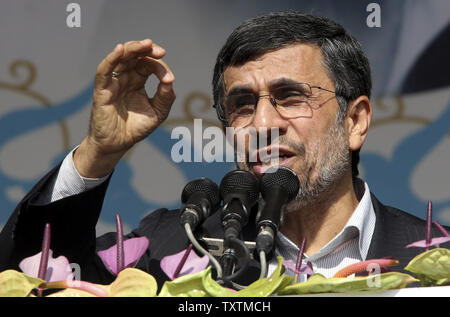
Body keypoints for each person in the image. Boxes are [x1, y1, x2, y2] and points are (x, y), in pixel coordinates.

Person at [0, 11, 447, 289]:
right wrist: (98, 151)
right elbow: (30, 274)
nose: (263, 124)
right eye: (242, 105)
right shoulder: (171, 245)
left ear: (355, 121)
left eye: (290, 97)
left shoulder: (436, 258)